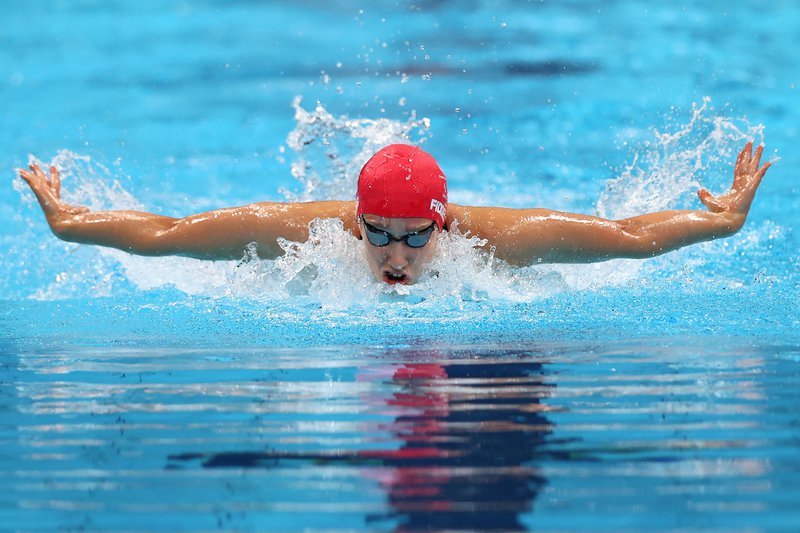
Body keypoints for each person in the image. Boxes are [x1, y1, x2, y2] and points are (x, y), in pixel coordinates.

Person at [18, 142, 771, 286]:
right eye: (377, 233)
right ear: (356, 219)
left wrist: (721, 221)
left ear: (443, 226)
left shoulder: (500, 244)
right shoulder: (308, 234)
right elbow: (170, 237)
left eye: (415, 238)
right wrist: (71, 223)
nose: (395, 257)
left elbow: (629, 240)